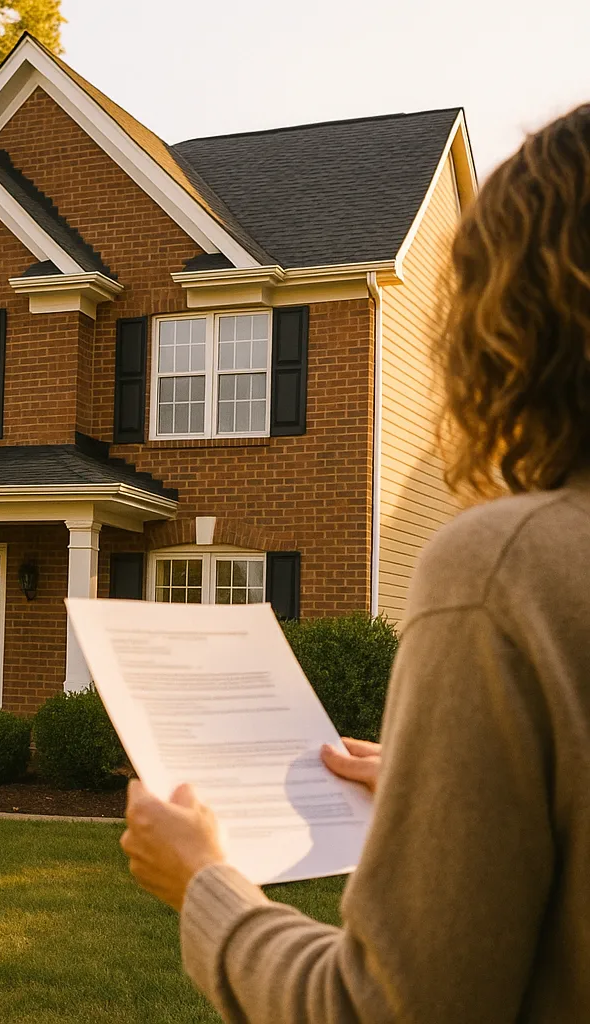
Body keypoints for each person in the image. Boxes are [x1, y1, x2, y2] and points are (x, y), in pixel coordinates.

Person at [119, 103, 590, 1023]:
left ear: (513, 321)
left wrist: (207, 883)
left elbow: (385, 1008)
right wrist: (447, 785)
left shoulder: (506, 569)